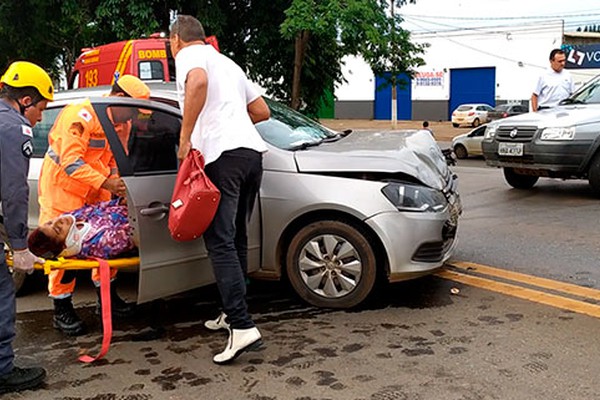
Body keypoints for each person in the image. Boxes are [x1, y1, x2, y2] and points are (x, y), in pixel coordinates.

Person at [169, 15, 271, 364]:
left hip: (222, 159)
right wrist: (229, 121)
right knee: (236, 238)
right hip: (251, 157)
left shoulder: (188, 57)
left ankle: (242, 327)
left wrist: (186, 139)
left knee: (220, 243)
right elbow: (261, 111)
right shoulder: (228, 62)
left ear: (176, 40)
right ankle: (231, 313)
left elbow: (196, 83)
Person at [37, 75, 150, 336]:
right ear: (119, 99)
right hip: (62, 190)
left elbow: (113, 160)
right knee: (64, 249)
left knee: (104, 243)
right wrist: (107, 184)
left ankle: (107, 300)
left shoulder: (122, 123)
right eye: (132, 109)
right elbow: (71, 162)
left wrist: (116, 188)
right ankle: (61, 308)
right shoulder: (80, 115)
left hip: (97, 190)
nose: (133, 116)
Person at [0, 61, 53, 394]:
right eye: (41, 109)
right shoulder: (12, 128)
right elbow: (15, 192)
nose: (40, 118)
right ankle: (3, 370)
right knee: (2, 291)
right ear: (26, 100)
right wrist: (20, 246)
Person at [28, 198, 135, 261]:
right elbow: (135, 230)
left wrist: (121, 201)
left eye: (50, 222)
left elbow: (97, 207)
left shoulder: (71, 218)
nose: (58, 221)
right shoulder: (101, 244)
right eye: (58, 229)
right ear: (65, 245)